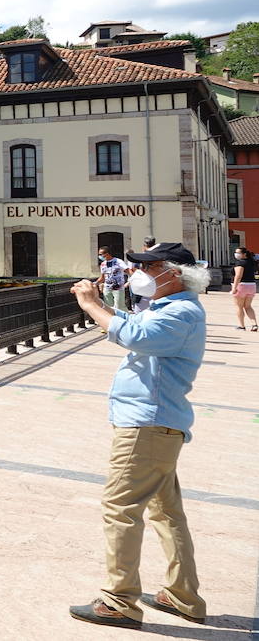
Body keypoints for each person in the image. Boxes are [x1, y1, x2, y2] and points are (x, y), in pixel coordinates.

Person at [67, 242, 208, 629]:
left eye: (149, 266)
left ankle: (118, 601)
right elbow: (134, 326)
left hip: (147, 426)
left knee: (120, 509)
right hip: (158, 423)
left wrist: (91, 306)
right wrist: (103, 305)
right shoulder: (170, 309)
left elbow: (137, 338)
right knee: (166, 512)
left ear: (173, 274)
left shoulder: (180, 313)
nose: (136, 273)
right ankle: (182, 596)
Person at [95, 247, 128, 318]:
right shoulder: (103, 264)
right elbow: (102, 277)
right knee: (108, 307)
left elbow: (127, 270)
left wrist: (131, 280)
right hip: (107, 288)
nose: (99, 256)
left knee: (120, 306)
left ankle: (125, 319)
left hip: (118, 288)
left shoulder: (118, 261)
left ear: (107, 254)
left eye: (101, 254)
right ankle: (111, 322)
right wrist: (95, 283)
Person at [230, 246, 257, 331]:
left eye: (238, 253)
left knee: (239, 306)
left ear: (244, 254)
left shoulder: (240, 263)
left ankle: (242, 326)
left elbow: (238, 276)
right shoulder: (251, 262)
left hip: (241, 286)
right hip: (252, 286)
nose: (236, 254)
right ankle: (254, 324)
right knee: (248, 306)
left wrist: (234, 288)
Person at [128, 238, 158, 312]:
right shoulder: (159, 258)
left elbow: (133, 271)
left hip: (144, 291)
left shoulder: (140, 258)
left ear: (144, 246)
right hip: (153, 291)